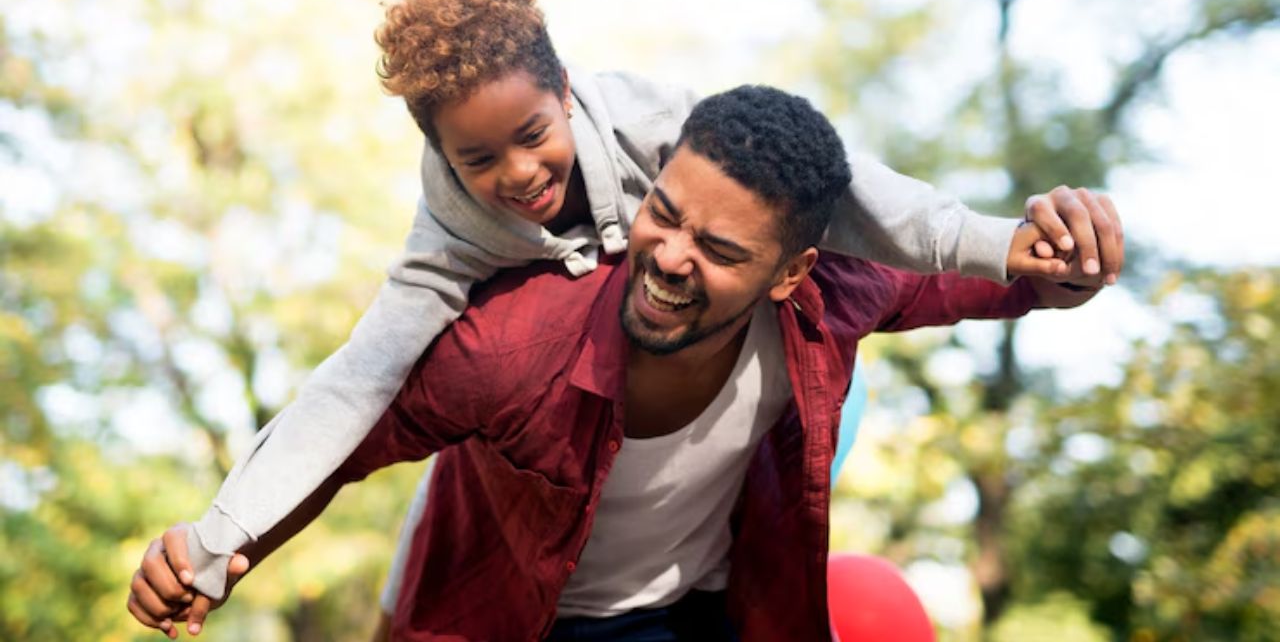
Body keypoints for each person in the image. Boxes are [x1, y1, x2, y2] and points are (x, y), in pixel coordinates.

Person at [128, 85, 1119, 640]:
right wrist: (218, 551)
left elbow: (1002, 281)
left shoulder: (839, 295)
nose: (669, 259)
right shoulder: (513, 343)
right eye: (663, 214)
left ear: (791, 275)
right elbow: (343, 437)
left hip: (689, 615)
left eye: (722, 252)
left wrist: (1070, 256)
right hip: (513, 618)